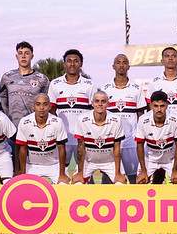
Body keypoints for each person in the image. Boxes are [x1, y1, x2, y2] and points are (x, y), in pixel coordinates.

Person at [0, 41, 50, 171]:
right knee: (12, 168)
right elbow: (3, 98)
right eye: (20, 53)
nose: (23, 56)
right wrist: (7, 118)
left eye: (26, 53)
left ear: (32, 56)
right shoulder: (7, 77)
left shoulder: (41, 79)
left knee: (33, 168)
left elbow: (45, 102)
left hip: (34, 130)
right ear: (16, 56)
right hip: (13, 130)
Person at [48, 49, 95, 177]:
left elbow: (94, 110)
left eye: (76, 61)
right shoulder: (55, 84)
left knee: (85, 172)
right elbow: (51, 110)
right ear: (64, 64)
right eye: (69, 61)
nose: (72, 64)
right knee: (61, 172)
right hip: (63, 137)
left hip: (83, 137)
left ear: (81, 64)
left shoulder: (89, 84)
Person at [102, 54, 146, 184]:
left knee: (133, 177)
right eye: (118, 62)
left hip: (130, 140)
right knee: (109, 176)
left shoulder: (136, 88)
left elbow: (141, 115)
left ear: (128, 66)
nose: (121, 65)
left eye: (124, 62)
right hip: (111, 140)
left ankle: (136, 202)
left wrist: (140, 136)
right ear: (113, 66)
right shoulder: (106, 88)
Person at [15, 93, 68, 184]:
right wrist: (23, 173)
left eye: (45, 104)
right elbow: (22, 149)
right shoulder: (24, 122)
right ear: (33, 106)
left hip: (54, 165)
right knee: (25, 187)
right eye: (38, 104)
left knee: (64, 186)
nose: (42, 107)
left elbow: (61, 149)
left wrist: (62, 174)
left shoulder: (57, 122)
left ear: (50, 107)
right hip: (32, 166)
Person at [75, 90, 126, 184]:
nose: (100, 104)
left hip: (110, 162)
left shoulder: (116, 120)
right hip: (89, 161)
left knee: (120, 184)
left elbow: (117, 147)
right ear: (92, 103)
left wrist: (118, 173)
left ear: (108, 104)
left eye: (103, 101)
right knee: (77, 184)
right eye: (97, 101)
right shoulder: (82, 119)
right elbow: (81, 148)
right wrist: (80, 172)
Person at [135, 91, 177, 184]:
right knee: (141, 181)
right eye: (156, 106)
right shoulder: (143, 120)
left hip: (170, 159)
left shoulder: (176, 119)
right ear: (151, 106)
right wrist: (143, 171)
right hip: (150, 159)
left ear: (167, 105)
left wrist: (175, 169)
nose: (159, 109)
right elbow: (139, 145)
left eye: (162, 106)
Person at [146, 46, 177, 119]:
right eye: (167, 56)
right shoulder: (154, 82)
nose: (170, 58)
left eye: (174, 56)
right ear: (162, 61)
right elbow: (150, 108)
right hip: (162, 127)